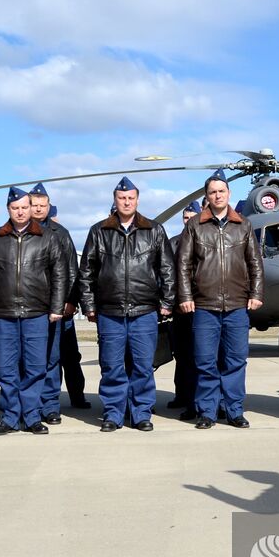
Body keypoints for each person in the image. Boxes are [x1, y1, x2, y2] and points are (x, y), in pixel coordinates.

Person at [80, 177, 176, 431]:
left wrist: (167, 301)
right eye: (122, 198)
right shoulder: (99, 231)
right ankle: (113, 413)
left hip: (144, 310)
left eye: (130, 198)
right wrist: (89, 305)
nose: (126, 202)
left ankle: (141, 413)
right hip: (109, 311)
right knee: (111, 366)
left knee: (143, 365)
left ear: (137, 200)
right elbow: (87, 271)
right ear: (115, 200)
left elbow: (167, 268)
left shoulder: (154, 230)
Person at [0, 187, 69, 435]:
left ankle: (32, 416)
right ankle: (10, 417)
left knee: (36, 368)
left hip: (37, 313)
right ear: (8, 210)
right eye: (15, 208)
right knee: (5, 369)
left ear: (30, 208)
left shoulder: (48, 237)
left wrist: (57, 307)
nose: (20, 212)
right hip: (4, 314)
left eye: (24, 207)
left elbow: (60, 274)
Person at [176, 169, 265, 429]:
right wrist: (185, 296)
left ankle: (234, 409)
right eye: (213, 192)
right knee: (205, 361)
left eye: (221, 191)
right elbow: (184, 264)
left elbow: (255, 263)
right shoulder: (195, 226)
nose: (217, 195)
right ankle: (207, 411)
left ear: (228, 193)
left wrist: (256, 293)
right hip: (205, 305)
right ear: (207, 196)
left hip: (237, 305)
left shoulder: (243, 225)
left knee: (235, 361)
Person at [28, 183, 89, 421]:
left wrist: (72, 301)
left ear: (49, 207)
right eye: (35, 205)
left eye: (44, 205)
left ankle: (75, 396)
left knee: (68, 356)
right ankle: (40, 402)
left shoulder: (60, 233)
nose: (39, 209)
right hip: (34, 307)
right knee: (40, 358)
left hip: (60, 307)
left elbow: (73, 269)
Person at [168, 199, 203, 418]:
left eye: (192, 218)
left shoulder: (206, 239)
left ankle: (196, 400)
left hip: (202, 308)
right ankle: (182, 394)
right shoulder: (173, 243)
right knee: (181, 356)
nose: (188, 221)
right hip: (180, 310)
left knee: (199, 357)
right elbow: (168, 276)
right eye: (185, 218)